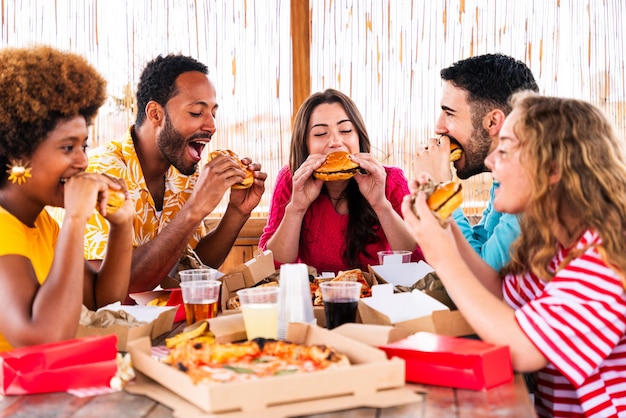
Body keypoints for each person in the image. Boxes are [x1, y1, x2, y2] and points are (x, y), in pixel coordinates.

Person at [403, 91, 626, 417]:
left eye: (505, 150)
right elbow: (498, 294)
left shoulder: (603, 262)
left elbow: (523, 349)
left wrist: (442, 257)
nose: (491, 161)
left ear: (552, 169)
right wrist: (445, 224)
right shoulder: (556, 244)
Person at [81, 54, 267, 296]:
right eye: (197, 113)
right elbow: (112, 294)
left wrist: (237, 212)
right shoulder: (100, 174)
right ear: (156, 114)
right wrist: (194, 209)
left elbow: (191, 265)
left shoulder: (183, 170)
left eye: (213, 113)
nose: (211, 126)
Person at [0, 45, 134, 351]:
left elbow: (102, 301)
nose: (83, 162)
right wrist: (75, 218)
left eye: (83, 146)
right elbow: (39, 339)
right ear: (18, 151)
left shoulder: (41, 222)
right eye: (67, 148)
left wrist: (121, 225)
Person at [259, 89, 423, 273]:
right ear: (305, 144)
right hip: (318, 297)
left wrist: (380, 204)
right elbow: (273, 263)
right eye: (321, 133)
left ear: (358, 137)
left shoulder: (389, 179)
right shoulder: (292, 180)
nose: (335, 141)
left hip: (379, 296)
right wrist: (296, 208)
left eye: (345, 130)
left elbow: (417, 258)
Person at [414, 53, 538, 272]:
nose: (438, 127)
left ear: (492, 121)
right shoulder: (504, 178)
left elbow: (480, 275)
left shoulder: (532, 185)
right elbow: (480, 248)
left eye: (449, 114)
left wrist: (442, 190)